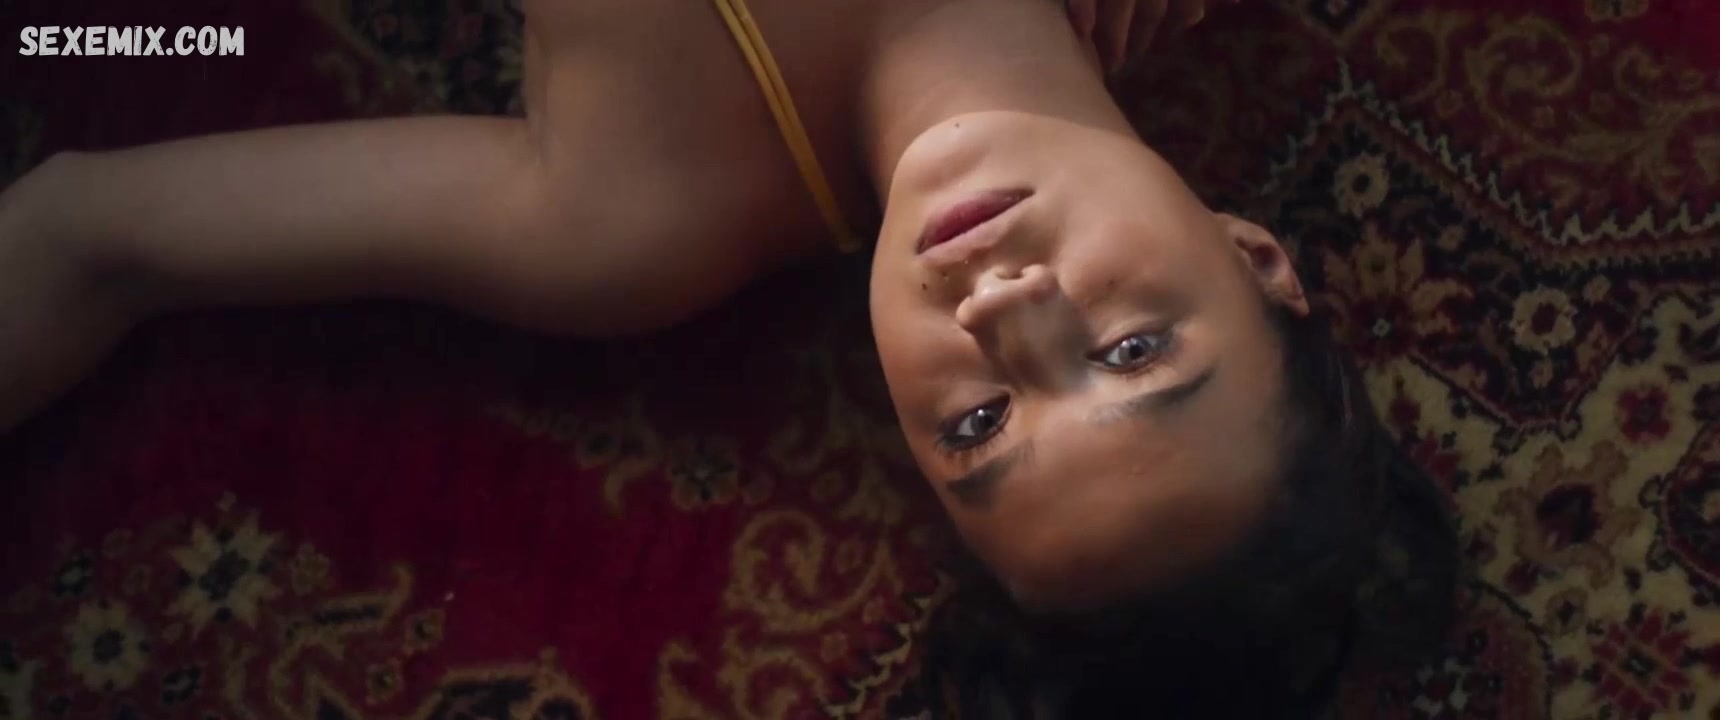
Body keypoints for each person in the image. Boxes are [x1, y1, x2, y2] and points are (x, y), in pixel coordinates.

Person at [0, 0, 1458, 713]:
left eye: (978, 432)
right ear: (1256, 258)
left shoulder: (624, 225)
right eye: (1133, 349)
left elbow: (85, 239)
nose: (1004, 314)